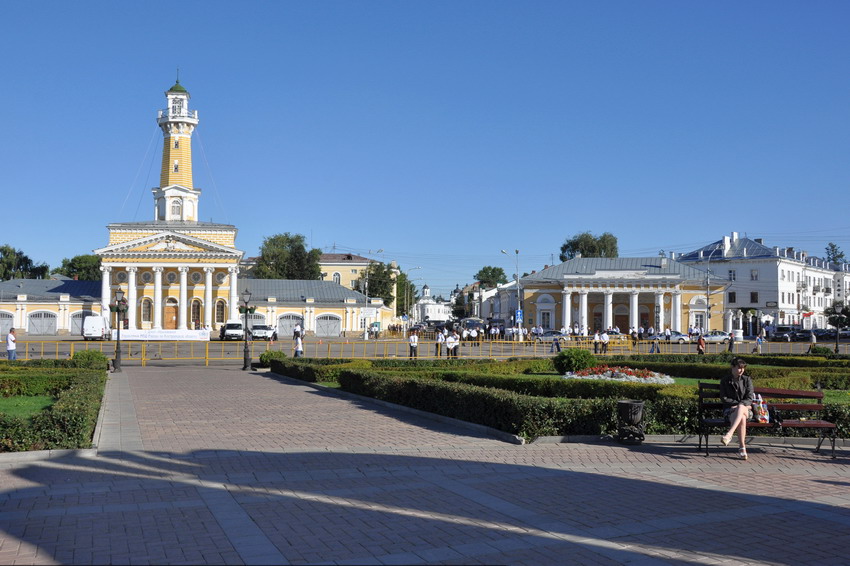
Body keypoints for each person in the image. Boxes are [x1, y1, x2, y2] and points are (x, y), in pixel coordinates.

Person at [720, 357, 755, 460]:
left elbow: (750, 397)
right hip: (730, 411)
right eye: (739, 368)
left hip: (746, 410)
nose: (741, 370)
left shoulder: (747, 380)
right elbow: (724, 398)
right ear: (733, 367)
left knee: (741, 409)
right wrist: (738, 405)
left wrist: (740, 405)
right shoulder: (725, 381)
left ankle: (729, 434)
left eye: (743, 368)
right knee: (742, 418)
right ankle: (742, 448)